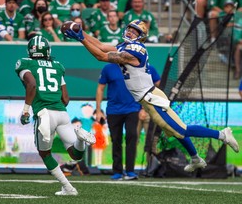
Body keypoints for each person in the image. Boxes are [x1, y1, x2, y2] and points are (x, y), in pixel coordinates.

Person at [64, 19, 240, 173]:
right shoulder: (126, 45)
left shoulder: (135, 50)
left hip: (150, 98)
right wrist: (82, 33)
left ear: (141, 36)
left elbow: (101, 56)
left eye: (135, 31)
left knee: (180, 130)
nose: (130, 31)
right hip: (148, 97)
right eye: (130, 28)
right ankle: (195, 158)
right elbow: (101, 45)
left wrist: (80, 39)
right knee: (173, 131)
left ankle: (222, 135)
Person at [15, 35, 96, 195]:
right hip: (62, 113)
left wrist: (25, 110)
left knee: (45, 154)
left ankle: (68, 188)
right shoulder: (57, 66)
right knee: (75, 153)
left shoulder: (24, 63)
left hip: (44, 114)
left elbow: (31, 84)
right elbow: (65, 98)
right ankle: (80, 138)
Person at [95, 62, 141, 180]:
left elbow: (143, 87)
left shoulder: (135, 66)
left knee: (132, 136)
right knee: (116, 140)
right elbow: (100, 89)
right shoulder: (108, 68)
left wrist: (144, 108)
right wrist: (98, 110)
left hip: (132, 108)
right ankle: (117, 171)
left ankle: (130, 171)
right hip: (113, 110)